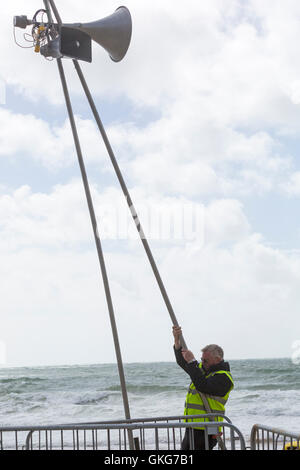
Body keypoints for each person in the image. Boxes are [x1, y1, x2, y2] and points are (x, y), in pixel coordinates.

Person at [172, 326, 234, 450]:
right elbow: (183, 362)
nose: (202, 362)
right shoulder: (202, 370)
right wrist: (177, 341)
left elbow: (203, 385)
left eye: (206, 360)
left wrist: (192, 362)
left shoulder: (224, 378)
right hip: (192, 424)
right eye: (201, 360)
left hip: (207, 427)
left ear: (217, 359)